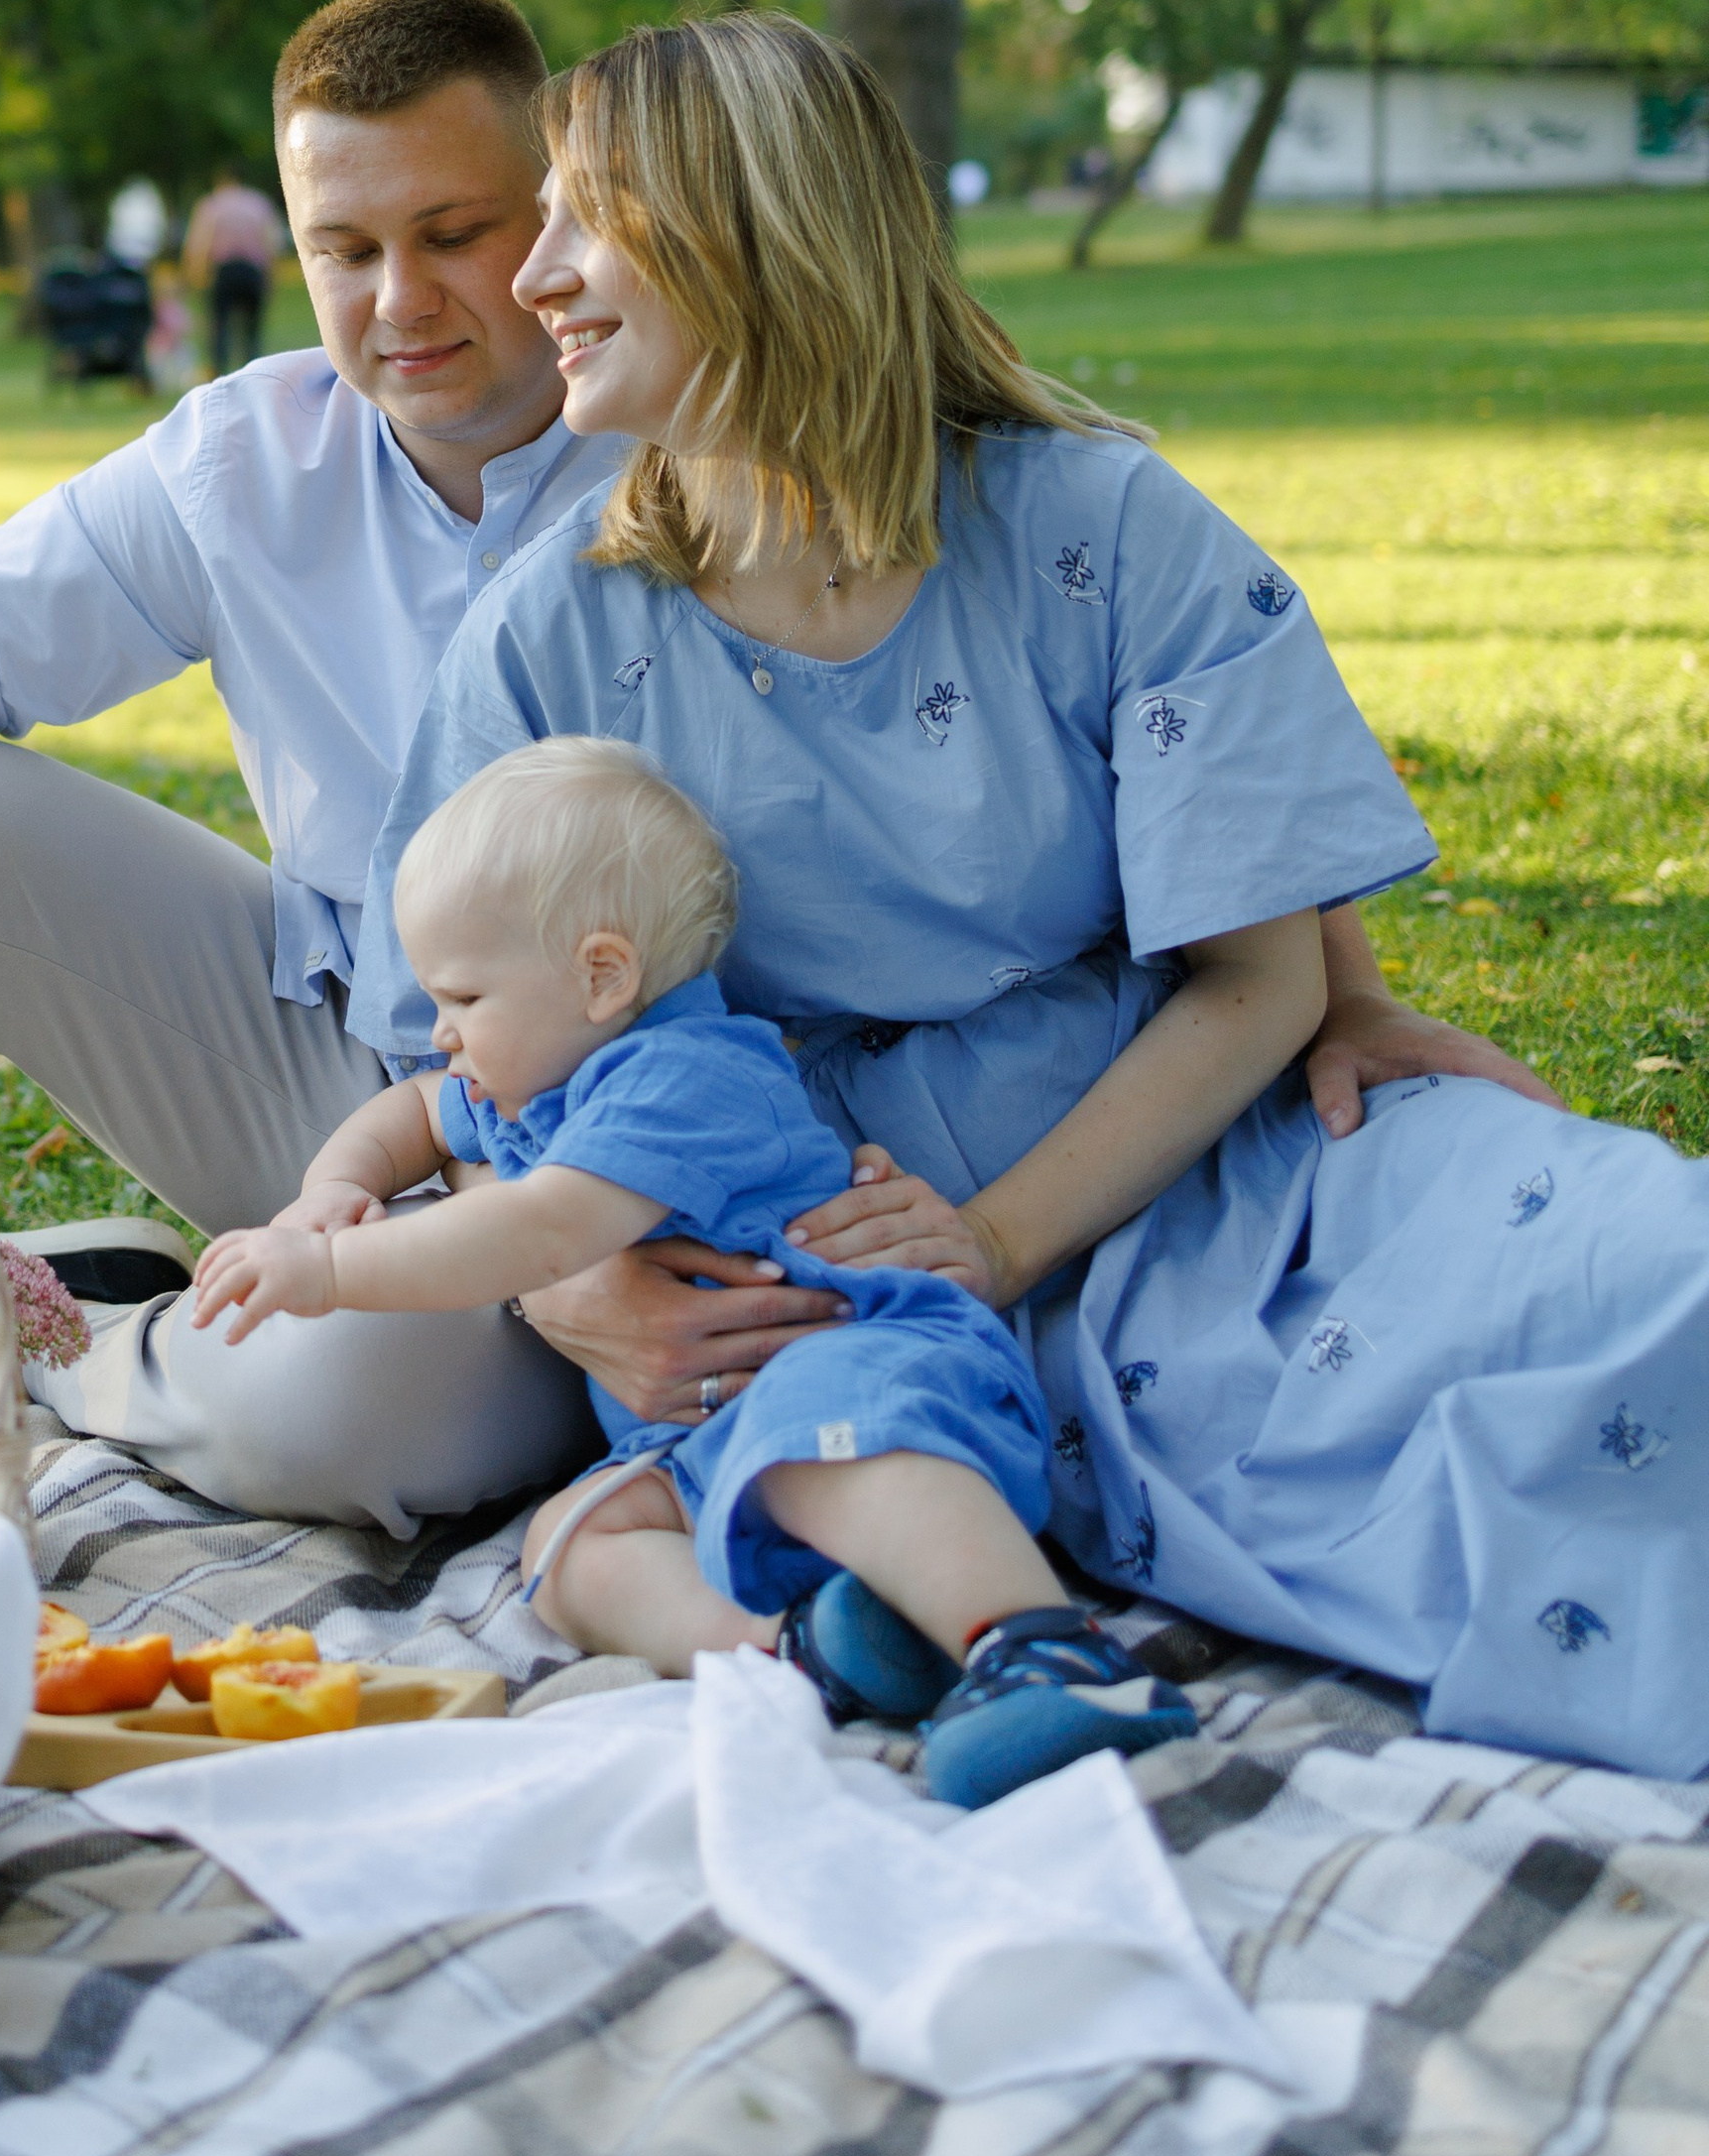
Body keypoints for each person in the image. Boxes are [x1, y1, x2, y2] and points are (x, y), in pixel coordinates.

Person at [0, 0, 1550, 1536]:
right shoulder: (261, 456)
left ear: (606, 226)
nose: (423, 301)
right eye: (344, 246)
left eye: (477, 227)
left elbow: (1082, 685)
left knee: (362, 1441)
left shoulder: (713, 456)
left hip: (666, 1105)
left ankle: (79, 1307)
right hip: (367, 1053)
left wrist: (1303, 975)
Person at [347, 12, 1707, 1775]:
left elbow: (1259, 975)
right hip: (827, 1271)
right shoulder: (551, 633)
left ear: (759, 230)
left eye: (587, 219)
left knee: (1652, 1269)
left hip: (1202, 1159)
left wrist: (1001, 1239)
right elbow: (452, 1049)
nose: (532, 277)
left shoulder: (1102, 529)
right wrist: (554, 1284)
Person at [194, 736, 1196, 1806]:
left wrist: (330, 1266)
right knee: (570, 1544)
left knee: (813, 1441)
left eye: (462, 998)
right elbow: (406, 1113)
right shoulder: (534, 1081)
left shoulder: (684, 1077)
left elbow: (539, 1232)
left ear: (601, 975)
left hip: (859, 1368)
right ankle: (796, 1654)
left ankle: (1046, 1650)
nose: (438, 1033)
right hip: (704, 1436)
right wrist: (329, 1186)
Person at [183, 168, 283, 378]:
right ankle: (253, 372)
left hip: (223, 271)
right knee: (251, 329)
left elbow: (200, 243)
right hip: (252, 271)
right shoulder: (258, 203)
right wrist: (270, 276)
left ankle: (219, 372)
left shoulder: (211, 204)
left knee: (219, 327)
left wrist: (197, 274)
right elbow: (272, 243)